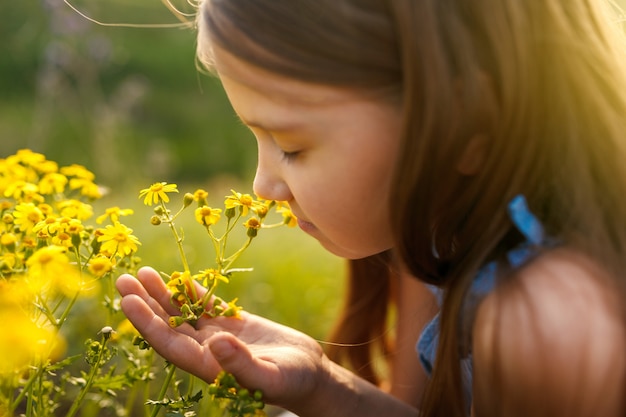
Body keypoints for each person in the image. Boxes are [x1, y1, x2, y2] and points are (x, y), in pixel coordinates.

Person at [116, 0, 626, 415]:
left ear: (469, 124)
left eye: (291, 145)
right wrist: (318, 385)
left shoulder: (550, 322)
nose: (262, 185)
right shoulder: (438, 240)